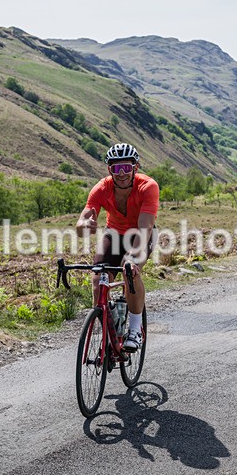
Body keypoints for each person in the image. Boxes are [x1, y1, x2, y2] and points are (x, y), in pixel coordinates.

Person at [75, 143, 159, 352]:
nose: (121, 174)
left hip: (141, 234)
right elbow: (80, 224)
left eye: (126, 168)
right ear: (109, 170)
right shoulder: (102, 188)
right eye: (116, 168)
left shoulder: (148, 187)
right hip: (113, 234)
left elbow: (145, 227)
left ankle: (134, 329)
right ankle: (108, 326)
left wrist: (132, 258)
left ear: (135, 168)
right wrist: (84, 226)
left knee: (129, 271)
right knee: (98, 277)